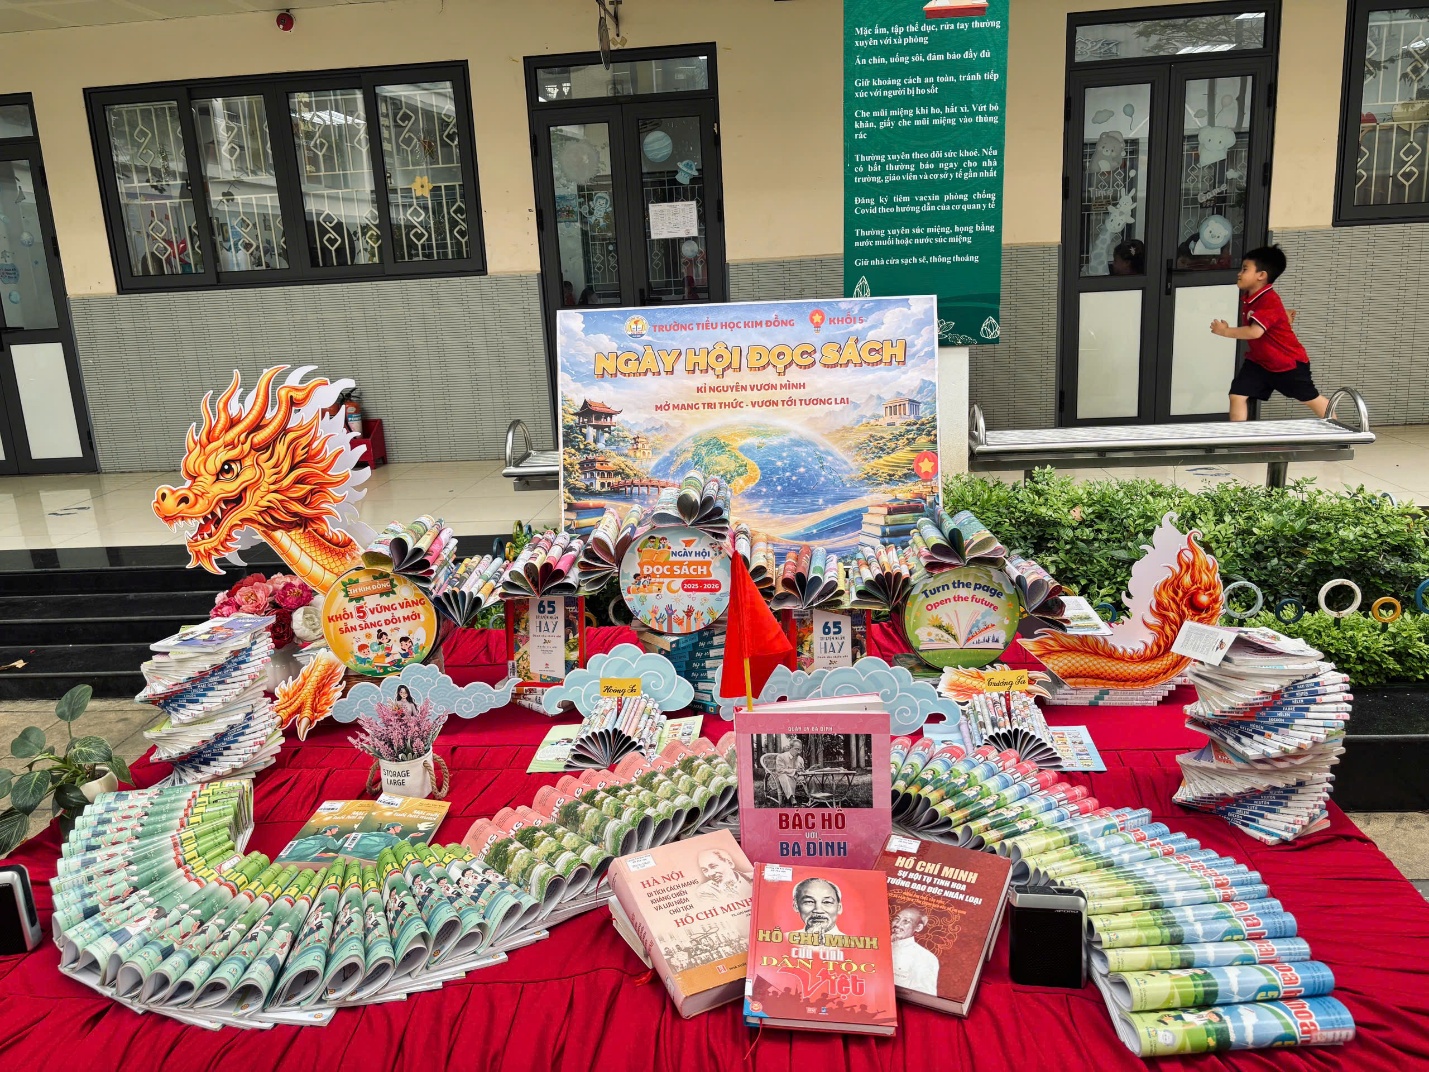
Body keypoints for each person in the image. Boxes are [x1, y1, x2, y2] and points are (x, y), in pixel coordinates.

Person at [1211, 244, 1328, 421]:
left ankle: (1338, 429)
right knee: (1237, 395)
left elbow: (1254, 332)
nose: (1239, 273)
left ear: (1261, 275)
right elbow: (1271, 319)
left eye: (1245, 269)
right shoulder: (1252, 298)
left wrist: (1225, 331)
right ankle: (1238, 435)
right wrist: (1283, 316)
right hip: (1259, 362)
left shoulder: (1269, 300)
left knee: (1310, 399)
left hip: (1287, 364)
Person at [890, 905, 941, 995]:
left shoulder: (925, 957)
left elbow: (924, 995)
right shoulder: (876, 944)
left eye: (906, 921)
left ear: (918, 927)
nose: (897, 924)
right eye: (897, 919)